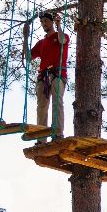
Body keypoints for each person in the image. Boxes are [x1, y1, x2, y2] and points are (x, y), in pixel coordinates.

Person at [22, 11, 69, 143]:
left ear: (52, 22)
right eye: (42, 22)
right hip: (43, 77)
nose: (43, 24)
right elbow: (28, 57)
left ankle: (58, 134)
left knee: (57, 102)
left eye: (46, 21)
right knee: (41, 107)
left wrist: (59, 25)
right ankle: (41, 138)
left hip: (57, 74)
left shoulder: (62, 35)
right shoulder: (41, 43)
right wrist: (26, 37)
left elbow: (62, 40)